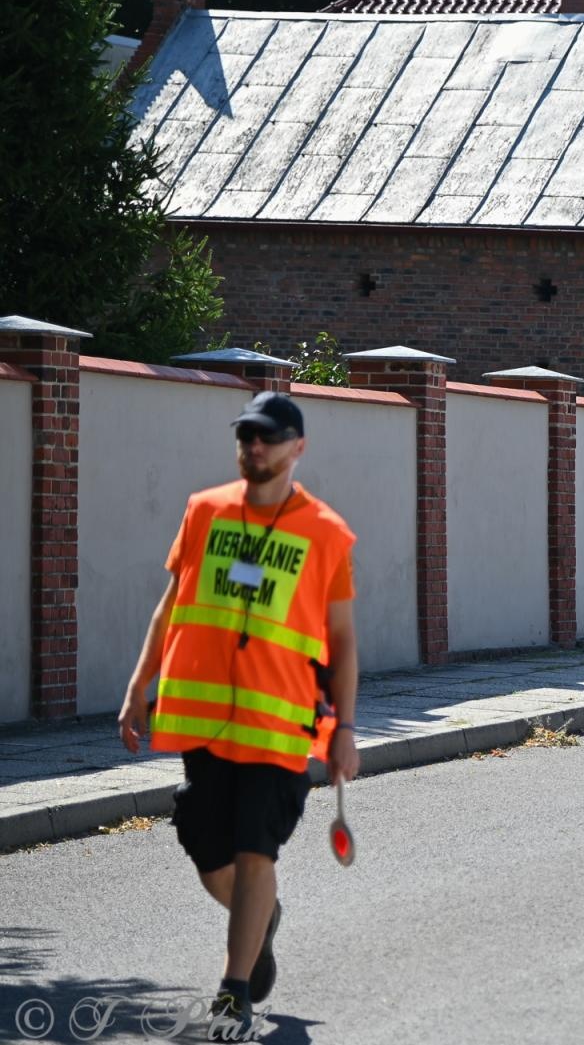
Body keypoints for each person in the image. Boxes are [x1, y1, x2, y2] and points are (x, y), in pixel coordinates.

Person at [116, 392, 359, 1033]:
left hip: (279, 724)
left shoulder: (325, 533)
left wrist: (347, 730)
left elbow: (343, 640)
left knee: (257, 850)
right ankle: (264, 920)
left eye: (269, 437)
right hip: (207, 722)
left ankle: (233, 989)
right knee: (204, 845)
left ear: (296, 448)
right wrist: (140, 685)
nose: (255, 446)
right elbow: (171, 605)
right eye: (247, 436)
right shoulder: (206, 511)